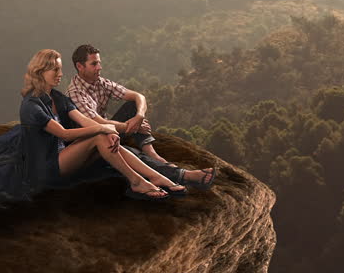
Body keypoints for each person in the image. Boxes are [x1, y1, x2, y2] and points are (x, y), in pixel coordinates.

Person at [19, 49, 187, 200]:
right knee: (99, 135)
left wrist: (109, 131)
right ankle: (136, 181)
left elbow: (85, 121)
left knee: (104, 137)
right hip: (46, 167)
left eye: (60, 69)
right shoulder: (31, 105)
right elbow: (64, 134)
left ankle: (155, 176)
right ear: (40, 72)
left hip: (65, 159)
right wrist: (104, 129)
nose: (60, 73)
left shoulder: (58, 97)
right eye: (55, 69)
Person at [66, 44, 215, 189]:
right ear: (80, 66)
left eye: (99, 63)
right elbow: (98, 123)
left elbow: (138, 96)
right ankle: (183, 175)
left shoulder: (100, 82)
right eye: (94, 64)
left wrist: (139, 116)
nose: (99, 67)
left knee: (132, 106)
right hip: (90, 145)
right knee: (130, 153)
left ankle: (152, 153)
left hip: (108, 132)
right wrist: (132, 127)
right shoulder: (75, 92)